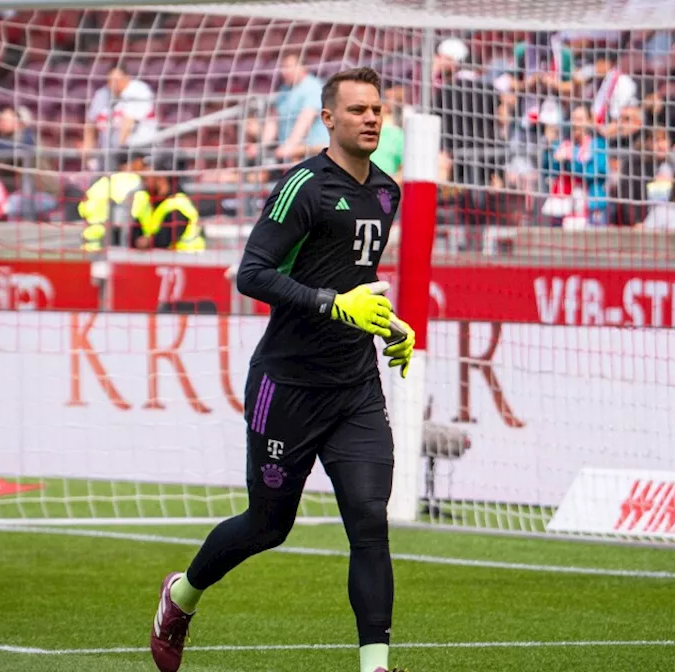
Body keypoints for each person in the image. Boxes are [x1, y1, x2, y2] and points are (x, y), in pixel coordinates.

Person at [150, 67, 411, 672]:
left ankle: (376, 667)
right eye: (357, 110)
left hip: (354, 386)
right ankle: (180, 596)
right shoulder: (303, 187)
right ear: (328, 119)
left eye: (377, 109)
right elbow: (252, 274)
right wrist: (331, 304)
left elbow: (354, 280)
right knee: (269, 526)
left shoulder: (387, 192)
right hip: (286, 385)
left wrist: (390, 323)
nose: (371, 118)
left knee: (370, 522)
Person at [79, 154, 205, 252]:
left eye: (146, 178)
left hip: (188, 263)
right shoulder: (148, 202)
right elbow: (135, 232)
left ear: (160, 179)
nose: (142, 183)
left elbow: (164, 239)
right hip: (160, 266)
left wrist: (146, 242)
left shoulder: (179, 204)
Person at [82, 62, 159, 169]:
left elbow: (127, 124)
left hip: (137, 153)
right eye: (110, 80)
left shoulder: (138, 91)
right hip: (108, 154)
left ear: (127, 78)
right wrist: (88, 150)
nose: (114, 84)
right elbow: (90, 124)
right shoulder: (102, 94)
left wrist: (116, 156)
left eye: (117, 80)